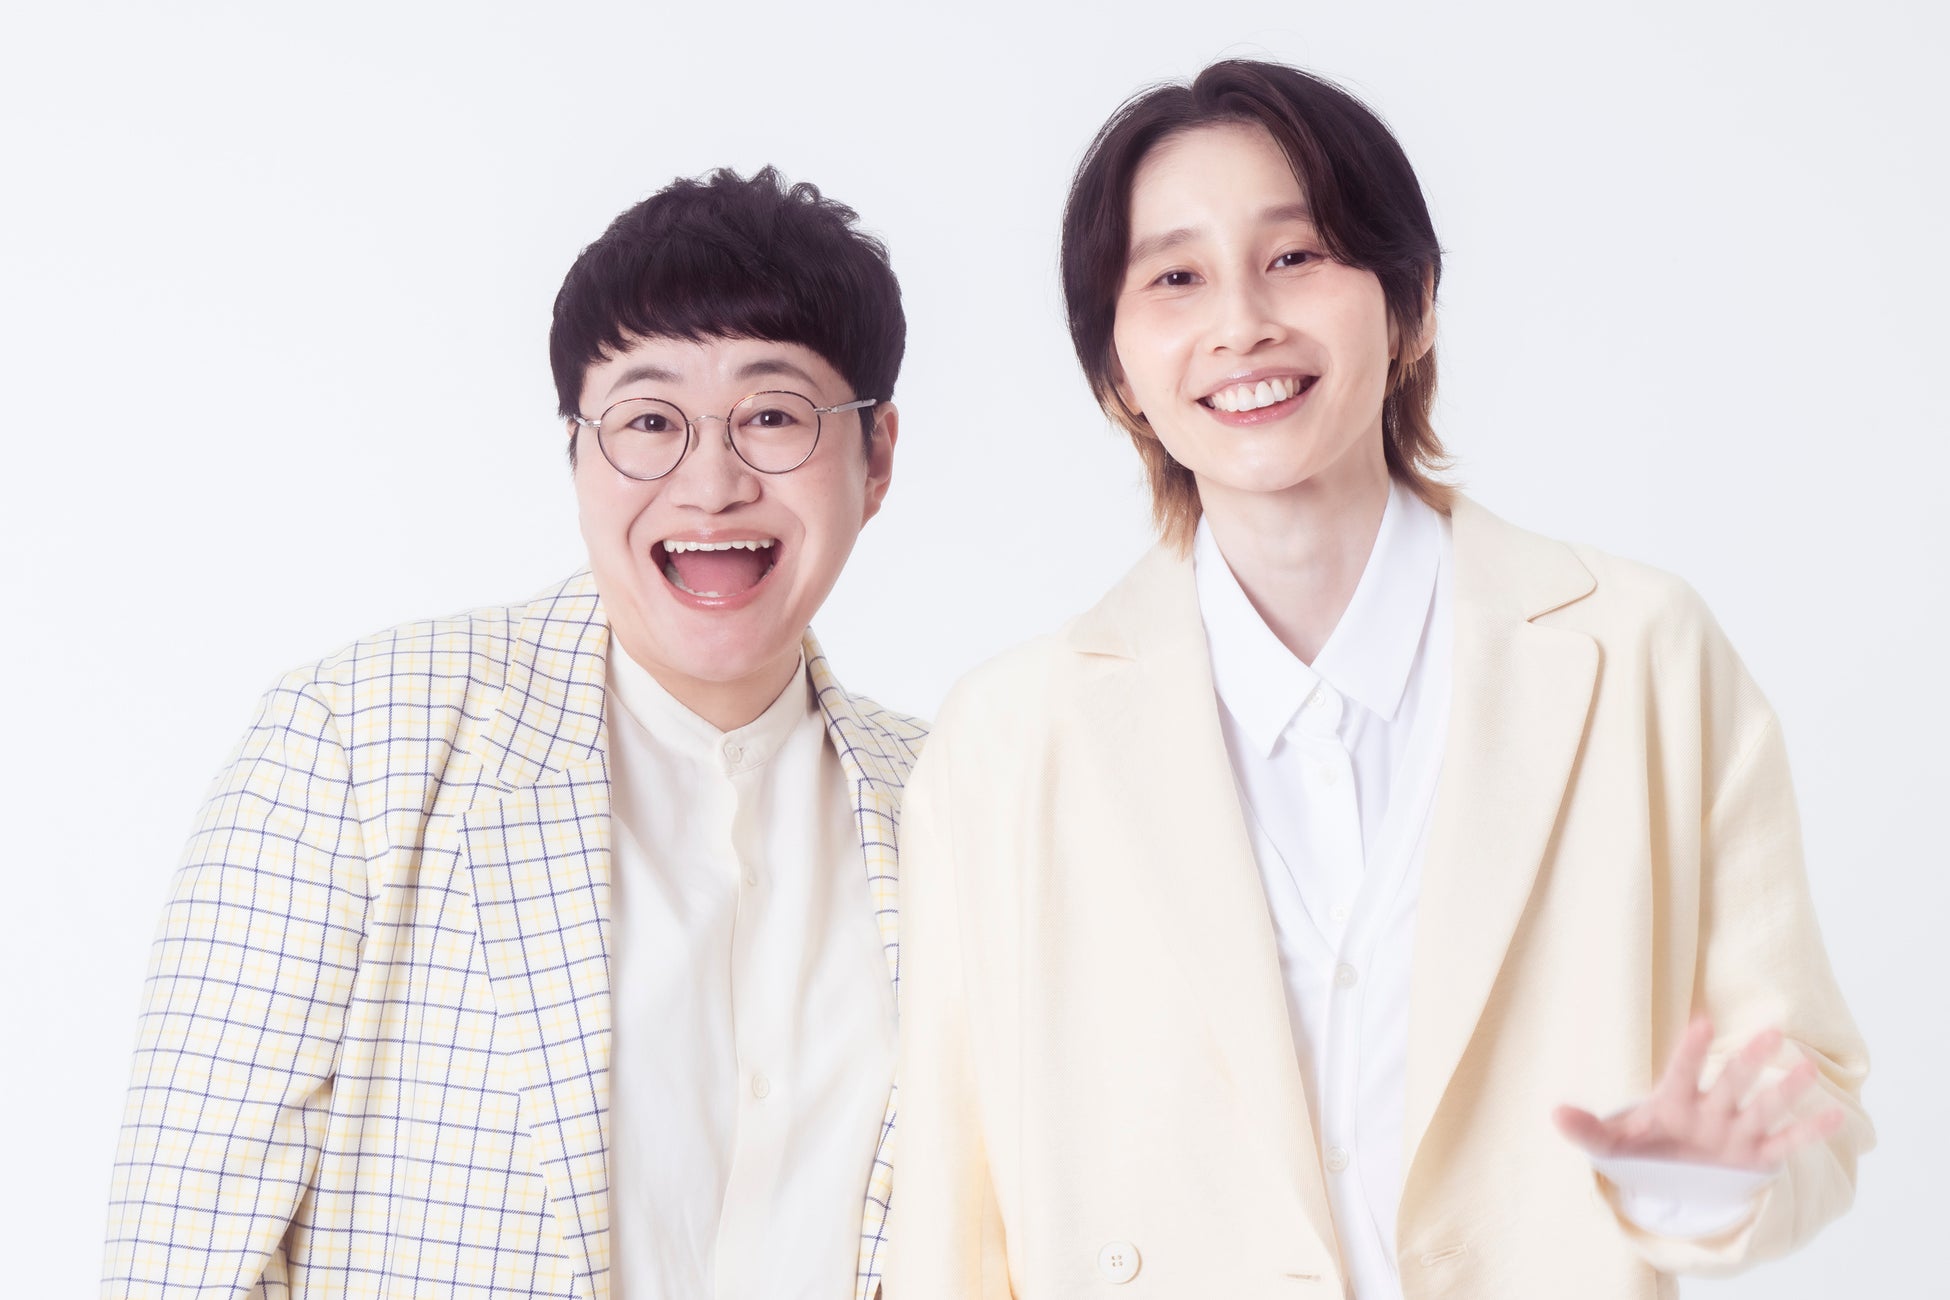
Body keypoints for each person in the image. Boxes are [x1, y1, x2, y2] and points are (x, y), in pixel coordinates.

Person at [888, 60, 1871, 1299]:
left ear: (1411, 306)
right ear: (1117, 370)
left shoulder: (1639, 654)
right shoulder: (1005, 740)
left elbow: (1811, 1088)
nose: (1242, 322)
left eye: (1296, 255)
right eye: (1176, 277)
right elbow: (951, 1218)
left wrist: (1704, 1175)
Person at [101, 167, 922, 1300]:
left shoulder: (951, 798)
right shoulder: (362, 741)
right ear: (577, 453)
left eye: (773, 416)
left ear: (875, 458)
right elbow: (179, 1259)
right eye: (648, 422)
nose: (711, 484)